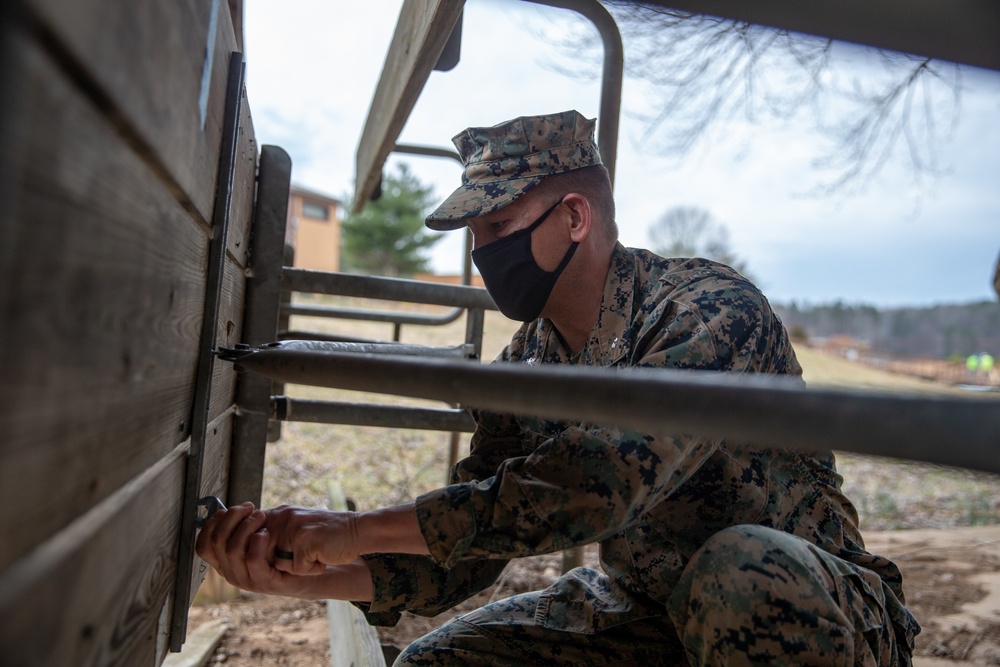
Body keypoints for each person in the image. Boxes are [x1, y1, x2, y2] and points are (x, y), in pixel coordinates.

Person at [197, 110, 919, 665]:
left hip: (808, 614)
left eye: (501, 224)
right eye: (476, 235)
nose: (485, 253)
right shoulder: (529, 366)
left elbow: (598, 479)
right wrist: (301, 573)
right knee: (438, 661)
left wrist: (352, 528)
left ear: (574, 216)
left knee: (736, 571)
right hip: (650, 613)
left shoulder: (707, 309)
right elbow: (468, 545)